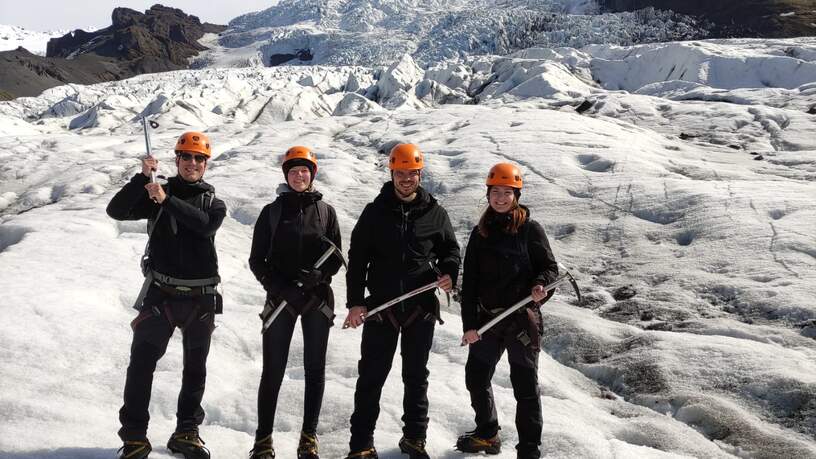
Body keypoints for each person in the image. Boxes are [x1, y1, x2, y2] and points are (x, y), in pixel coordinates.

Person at [107, 132, 226, 459]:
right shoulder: (156, 193)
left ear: (205, 164)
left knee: (195, 369)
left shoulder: (213, 202)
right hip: (161, 295)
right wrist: (141, 179)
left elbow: (204, 226)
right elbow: (116, 210)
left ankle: (187, 432)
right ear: (177, 161)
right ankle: (134, 437)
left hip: (200, 298)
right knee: (141, 366)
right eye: (186, 157)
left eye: (198, 159)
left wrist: (166, 200)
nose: (192, 163)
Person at [344, 143, 461, 459]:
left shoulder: (435, 214)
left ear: (420, 173)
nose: (406, 178)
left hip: (419, 308)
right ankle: (361, 444)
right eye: (400, 172)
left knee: (416, 377)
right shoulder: (374, 213)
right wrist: (355, 302)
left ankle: (414, 439)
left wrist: (450, 272)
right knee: (371, 377)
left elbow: (450, 251)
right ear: (391, 173)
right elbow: (357, 261)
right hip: (381, 308)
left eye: (411, 173)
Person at [455, 163, 558, 459]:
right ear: (488, 194)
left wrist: (541, 285)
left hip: (522, 321)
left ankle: (529, 449)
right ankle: (488, 434)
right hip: (488, 319)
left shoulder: (530, 230)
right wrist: (469, 325)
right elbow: (470, 283)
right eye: (495, 192)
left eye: (507, 193)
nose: (500, 198)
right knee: (476, 376)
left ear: (516, 194)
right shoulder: (481, 232)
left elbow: (549, 268)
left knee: (524, 385)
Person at [247, 146, 343, 459]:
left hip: (316, 299)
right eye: (293, 171)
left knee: (314, 370)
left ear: (312, 174)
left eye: (305, 171)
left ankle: (308, 438)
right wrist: (277, 286)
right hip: (280, 299)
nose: (299, 175)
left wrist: (319, 275)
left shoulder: (326, 212)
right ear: (286, 175)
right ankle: (263, 441)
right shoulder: (271, 212)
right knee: (272, 369)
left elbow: (336, 256)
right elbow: (256, 259)